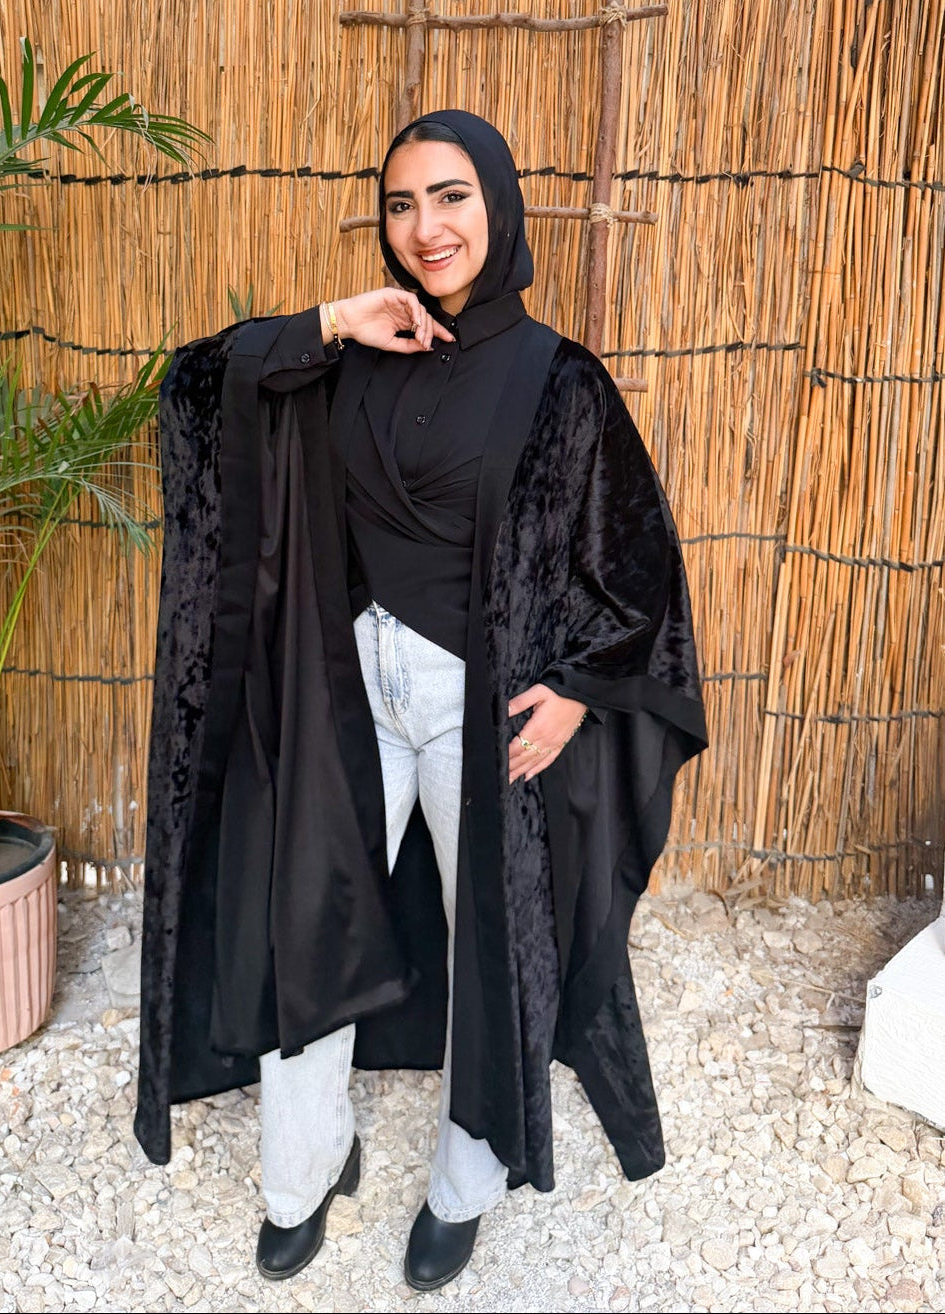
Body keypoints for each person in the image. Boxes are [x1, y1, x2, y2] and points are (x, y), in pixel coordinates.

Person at [134, 109, 707, 1293]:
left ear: (496, 202)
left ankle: (466, 1179)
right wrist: (331, 321)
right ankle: (304, 1170)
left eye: (450, 197)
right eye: (401, 204)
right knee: (303, 922)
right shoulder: (353, 351)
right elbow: (192, 390)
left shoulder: (558, 379)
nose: (426, 227)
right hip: (345, 687)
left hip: (475, 706)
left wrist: (579, 692)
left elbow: (640, 559)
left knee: (487, 938)